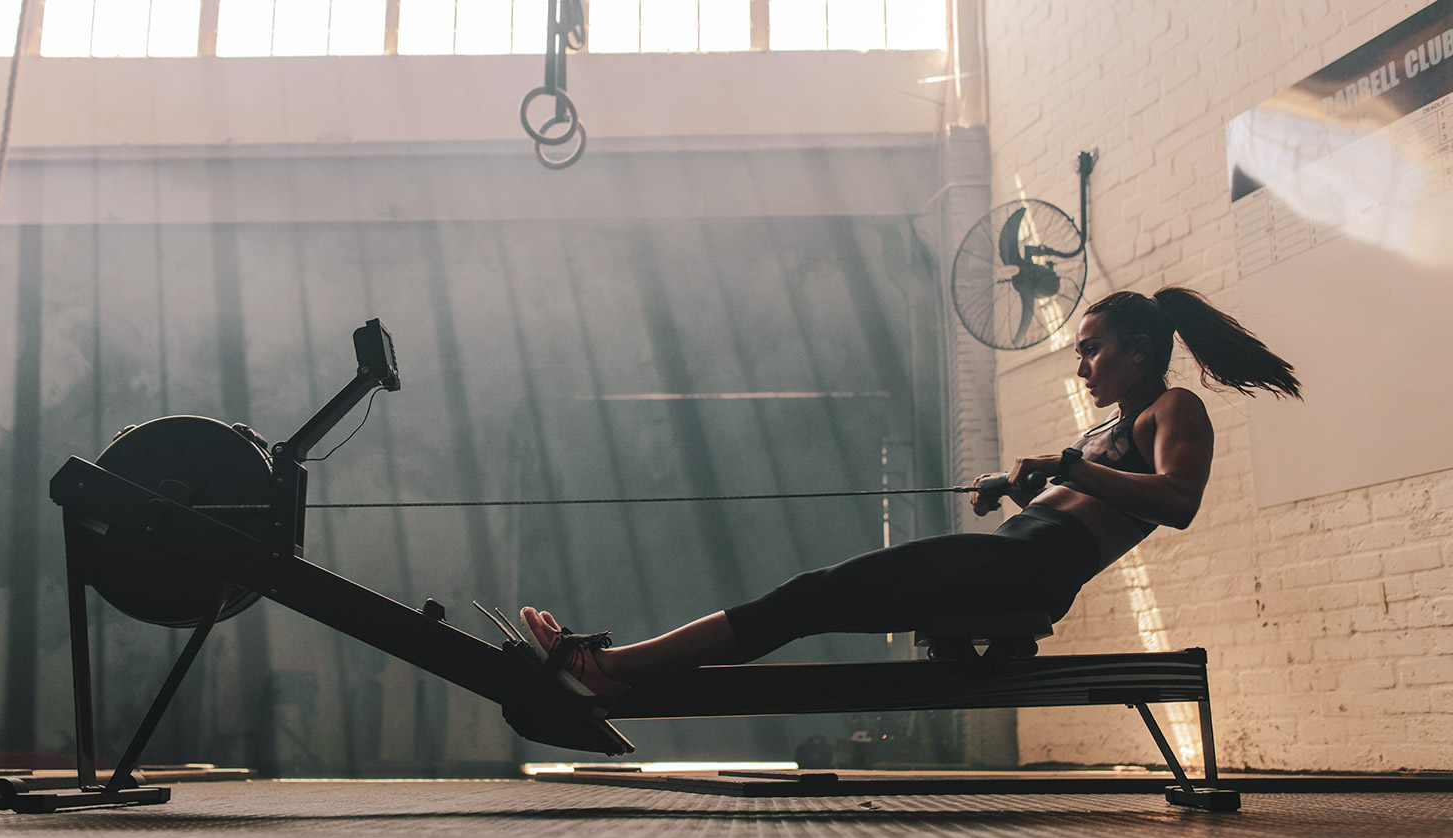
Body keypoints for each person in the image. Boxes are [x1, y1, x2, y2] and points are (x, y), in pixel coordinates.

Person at [521, 287, 1302, 702]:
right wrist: (1017, 486)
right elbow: (1087, 491)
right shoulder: (1111, 428)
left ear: (1138, 353)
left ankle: (614, 668)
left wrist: (1065, 467)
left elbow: (1176, 501)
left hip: (1024, 576)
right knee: (811, 599)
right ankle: (618, 667)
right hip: (1006, 564)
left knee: (809, 596)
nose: (1081, 367)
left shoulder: (1174, 409)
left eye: (1091, 351)